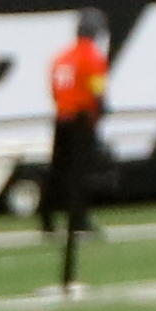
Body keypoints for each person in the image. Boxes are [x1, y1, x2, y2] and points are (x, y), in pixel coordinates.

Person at [39, 17, 106, 262]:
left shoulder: (61, 56)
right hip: (81, 118)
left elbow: (54, 89)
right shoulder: (92, 56)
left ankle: (46, 217)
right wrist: (99, 110)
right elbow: (97, 88)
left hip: (62, 117)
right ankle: (78, 217)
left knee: (58, 169)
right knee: (80, 171)